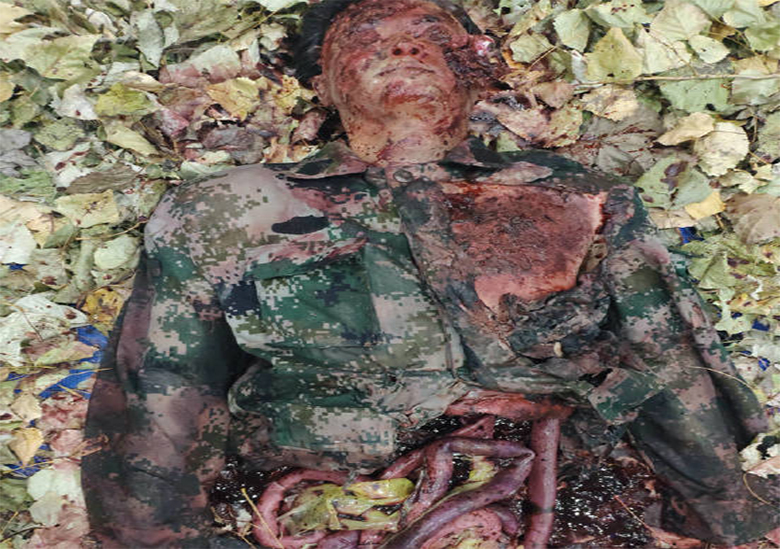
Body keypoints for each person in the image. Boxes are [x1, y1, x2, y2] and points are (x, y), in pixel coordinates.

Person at [82, 0, 779, 547]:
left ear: (478, 68)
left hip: (560, 495)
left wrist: (734, 517)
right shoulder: (233, 208)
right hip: (323, 506)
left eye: (430, 34)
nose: (403, 46)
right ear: (323, 83)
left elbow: (667, 358)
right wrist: (163, 537)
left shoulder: (579, 195)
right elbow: (162, 391)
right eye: (366, 38)